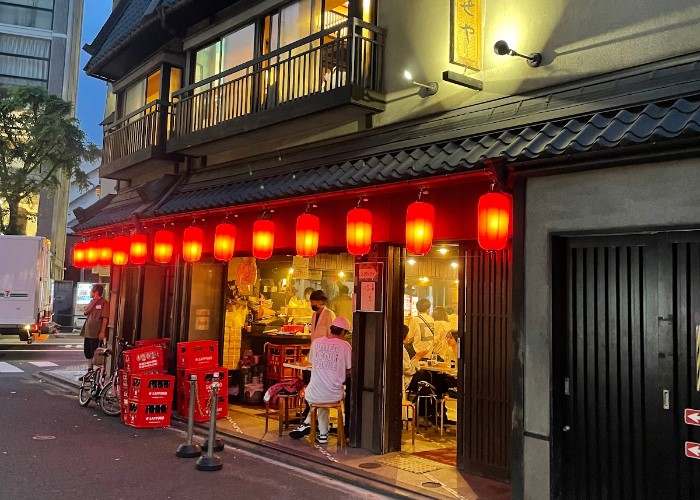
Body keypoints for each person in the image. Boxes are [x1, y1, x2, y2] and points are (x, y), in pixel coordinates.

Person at [289, 316, 352, 444]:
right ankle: (321, 433)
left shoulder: (317, 343)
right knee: (327, 397)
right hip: (334, 394)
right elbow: (350, 368)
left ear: (331, 329)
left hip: (312, 394)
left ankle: (312, 426)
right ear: (343, 332)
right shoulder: (345, 346)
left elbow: (311, 362)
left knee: (319, 399)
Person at [79, 284, 109, 380]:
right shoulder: (92, 302)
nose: (90, 293)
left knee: (95, 353)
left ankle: (97, 374)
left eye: (91, 291)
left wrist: (102, 332)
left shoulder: (104, 303)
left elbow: (105, 318)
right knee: (88, 352)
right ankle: (89, 371)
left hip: (96, 332)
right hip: (88, 331)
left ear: (96, 292)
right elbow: (85, 312)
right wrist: (93, 301)